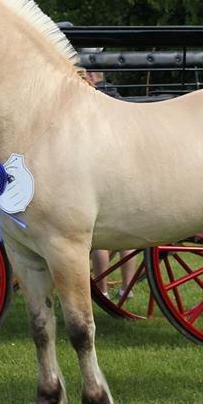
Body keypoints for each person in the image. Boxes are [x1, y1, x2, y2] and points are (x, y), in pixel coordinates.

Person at [82, 67, 137, 300]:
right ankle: (127, 288)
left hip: (100, 168)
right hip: (124, 169)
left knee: (100, 240)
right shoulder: (115, 95)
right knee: (128, 236)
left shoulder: (88, 96)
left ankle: (102, 289)